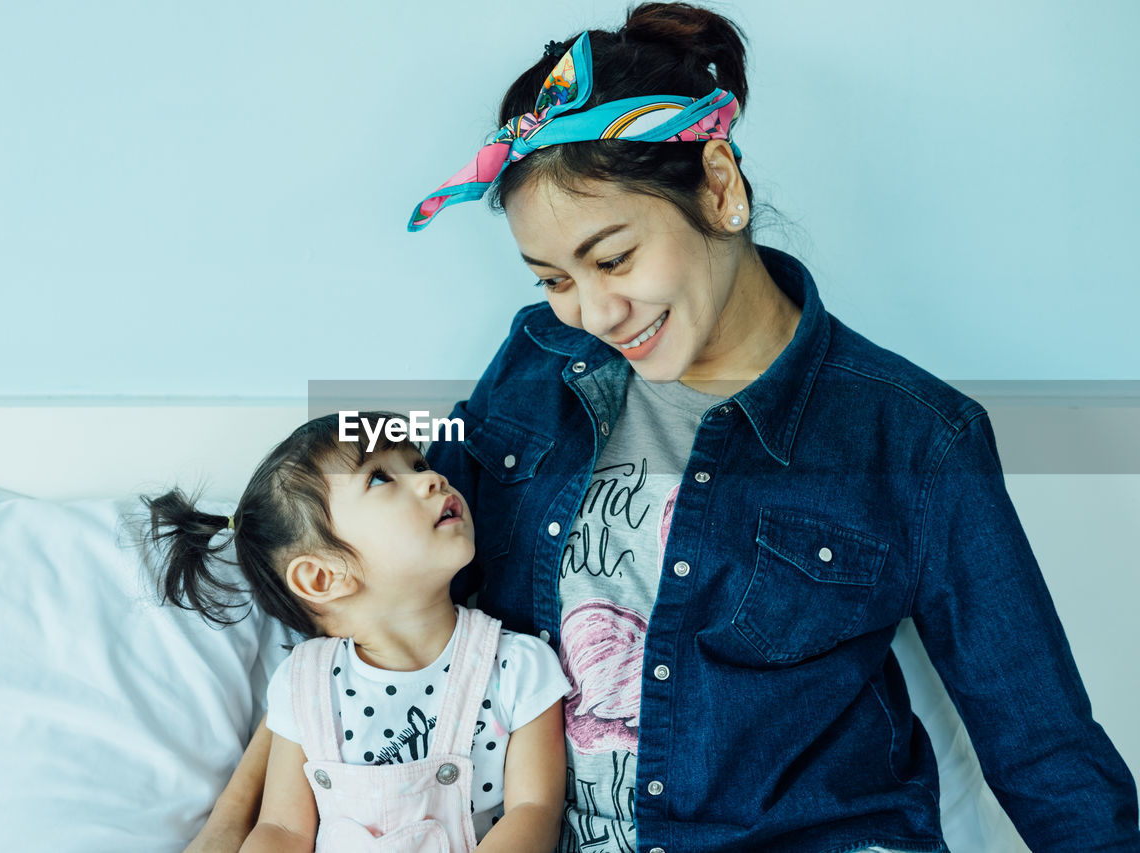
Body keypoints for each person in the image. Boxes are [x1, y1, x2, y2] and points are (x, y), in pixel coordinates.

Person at [187, 5, 1139, 852]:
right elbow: (373, 614)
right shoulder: (537, 361)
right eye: (554, 279)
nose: (593, 313)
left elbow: (1042, 741)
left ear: (718, 186)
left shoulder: (917, 438)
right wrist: (230, 825)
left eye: (613, 258)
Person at [144, 413, 570, 852]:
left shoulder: (518, 666)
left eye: (419, 465)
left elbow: (535, 811)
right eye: (381, 479)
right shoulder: (303, 685)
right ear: (323, 578)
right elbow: (283, 830)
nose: (435, 479)